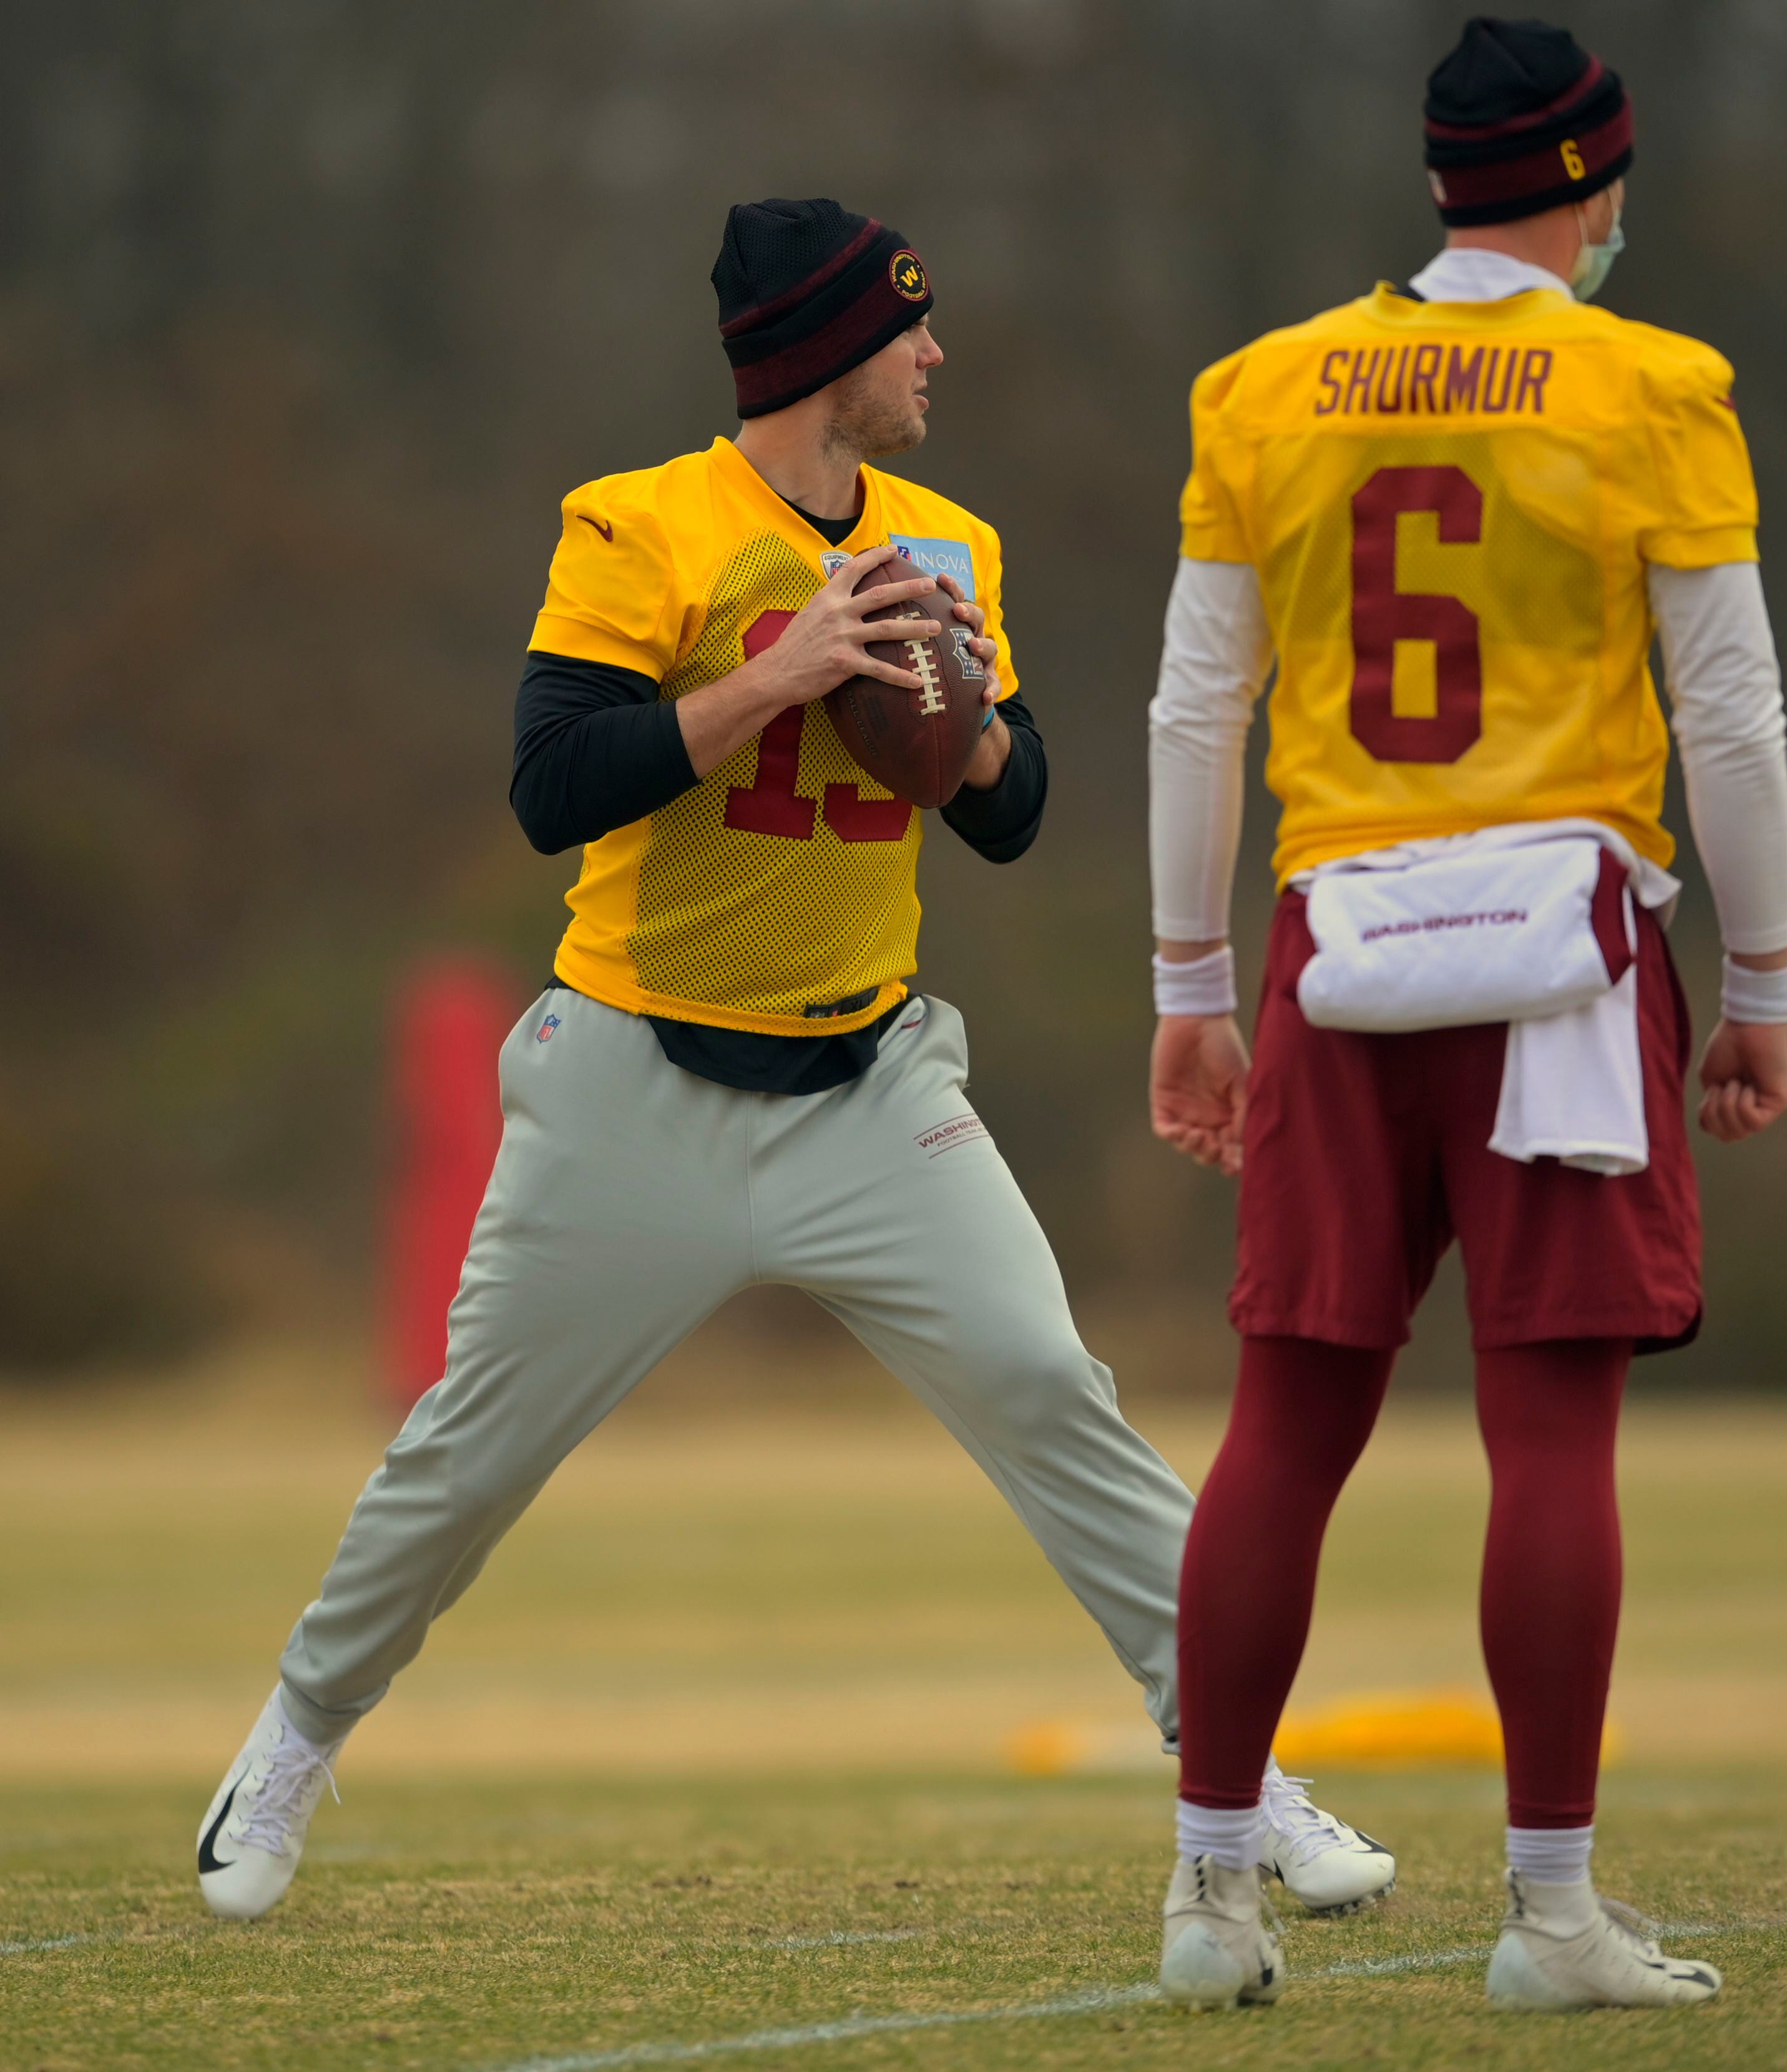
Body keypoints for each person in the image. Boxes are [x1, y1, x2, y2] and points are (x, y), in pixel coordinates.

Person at [194, 199, 1389, 1928]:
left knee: (1059, 1399)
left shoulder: (943, 539)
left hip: (869, 1088)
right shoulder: (641, 527)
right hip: (633, 1085)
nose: (935, 355)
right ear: (826, 352)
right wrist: (785, 674)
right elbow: (551, 788)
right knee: (463, 1461)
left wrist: (956, 722)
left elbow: (1016, 809)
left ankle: (1244, 1786)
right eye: (908, 328)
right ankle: (294, 1742)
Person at [1145, 16, 1787, 2012]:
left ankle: (1207, 1895)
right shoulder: (1652, 385)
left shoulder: (1263, 388)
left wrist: (1184, 984)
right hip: (1558, 949)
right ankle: (1547, 1918)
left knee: (1287, 1418)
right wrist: (1761, 979)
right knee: (1550, 1431)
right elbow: (1730, 712)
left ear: (1438, 180)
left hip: (1335, 930)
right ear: (1590, 185)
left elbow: (1196, 706)